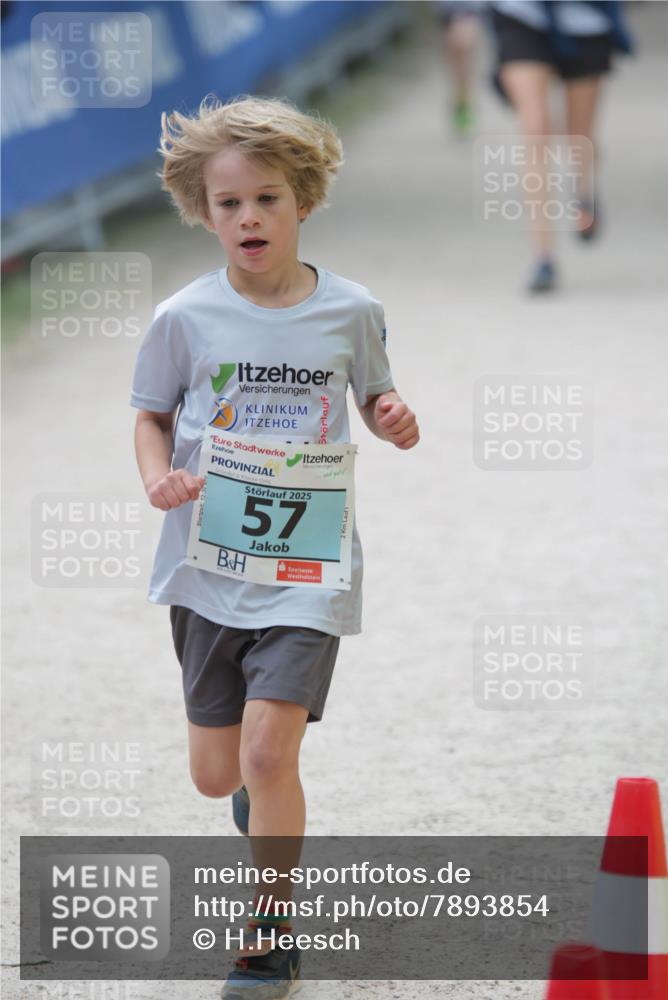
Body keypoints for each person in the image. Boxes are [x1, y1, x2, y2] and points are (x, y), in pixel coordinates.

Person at [129, 94, 419, 998]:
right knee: (218, 775)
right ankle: (261, 805)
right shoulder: (183, 316)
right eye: (229, 203)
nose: (249, 218)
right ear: (203, 210)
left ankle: (270, 934)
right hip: (205, 569)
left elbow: (375, 393)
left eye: (267, 199)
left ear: (304, 202)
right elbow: (150, 414)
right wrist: (157, 479)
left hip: (307, 569)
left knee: (266, 754)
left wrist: (391, 415)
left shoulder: (352, 309)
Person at [489, 0, 633, 292]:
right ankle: (543, 256)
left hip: (586, 18)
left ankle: (583, 190)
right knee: (535, 133)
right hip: (523, 15)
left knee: (580, 136)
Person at [434, 1, 486, 135]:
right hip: (444, 8)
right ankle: (461, 100)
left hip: (470, 7)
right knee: (454, 60)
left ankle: (464, 103)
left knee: (463, 45)